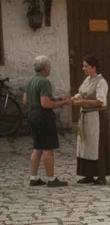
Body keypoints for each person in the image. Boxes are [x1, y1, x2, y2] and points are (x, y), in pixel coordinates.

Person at [24, 55, 72, 187]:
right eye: (49, 66)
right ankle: (51, 179)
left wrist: (55, 98)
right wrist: (63, 102)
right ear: (45, 68)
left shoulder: (30, 81)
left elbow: (25, 101)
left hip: (32, 114)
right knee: (48, 149)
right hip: (43, 116)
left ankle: (33, 177)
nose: (50, 68)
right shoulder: (44, 82)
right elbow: (45, 104)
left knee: (37, 147)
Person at [72, 55, 110, 185]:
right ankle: (88, 174)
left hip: (96, 117)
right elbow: (81, 94)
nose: (83, 68)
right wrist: (71, 99)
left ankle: (101, 175)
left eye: (86, 66)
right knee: (86, 144)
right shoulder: (88, 80)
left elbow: (100, 101)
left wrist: (83, 102)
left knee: (97, 145)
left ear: (93, 67)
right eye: (83, 66)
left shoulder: (101, 82)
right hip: (85, 116)